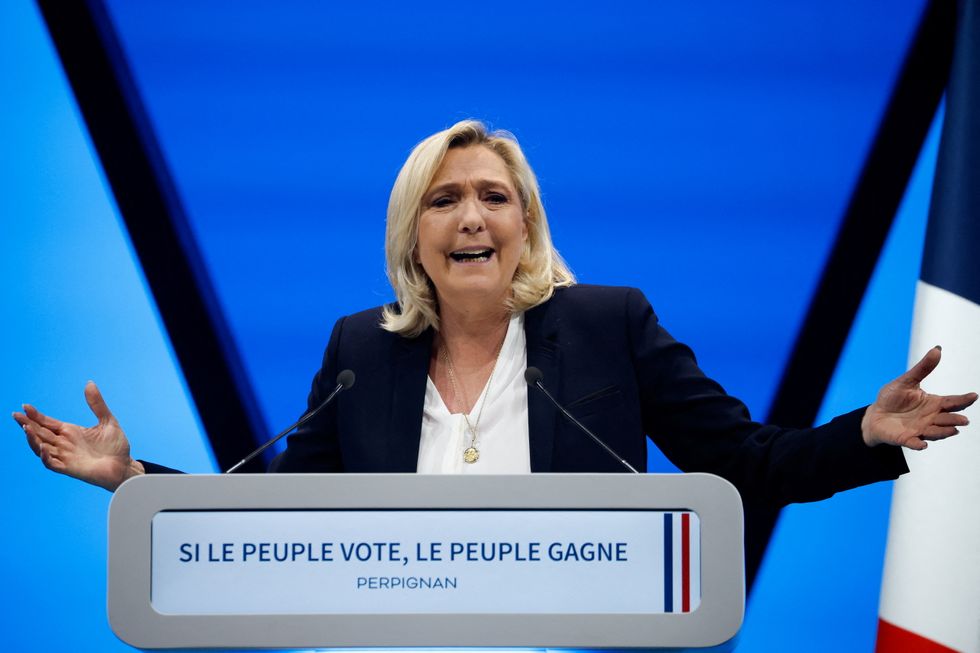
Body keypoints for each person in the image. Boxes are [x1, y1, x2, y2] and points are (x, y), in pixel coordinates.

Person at [12, 120, 977, 503]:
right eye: (443, 199)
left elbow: (746, 462)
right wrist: (134, 474)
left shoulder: (608, 322)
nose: (470, 216)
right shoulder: (360, 349)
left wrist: (866, 432)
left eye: (492, 196)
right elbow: (274, 512)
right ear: (413, 237)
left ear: (526, 225)